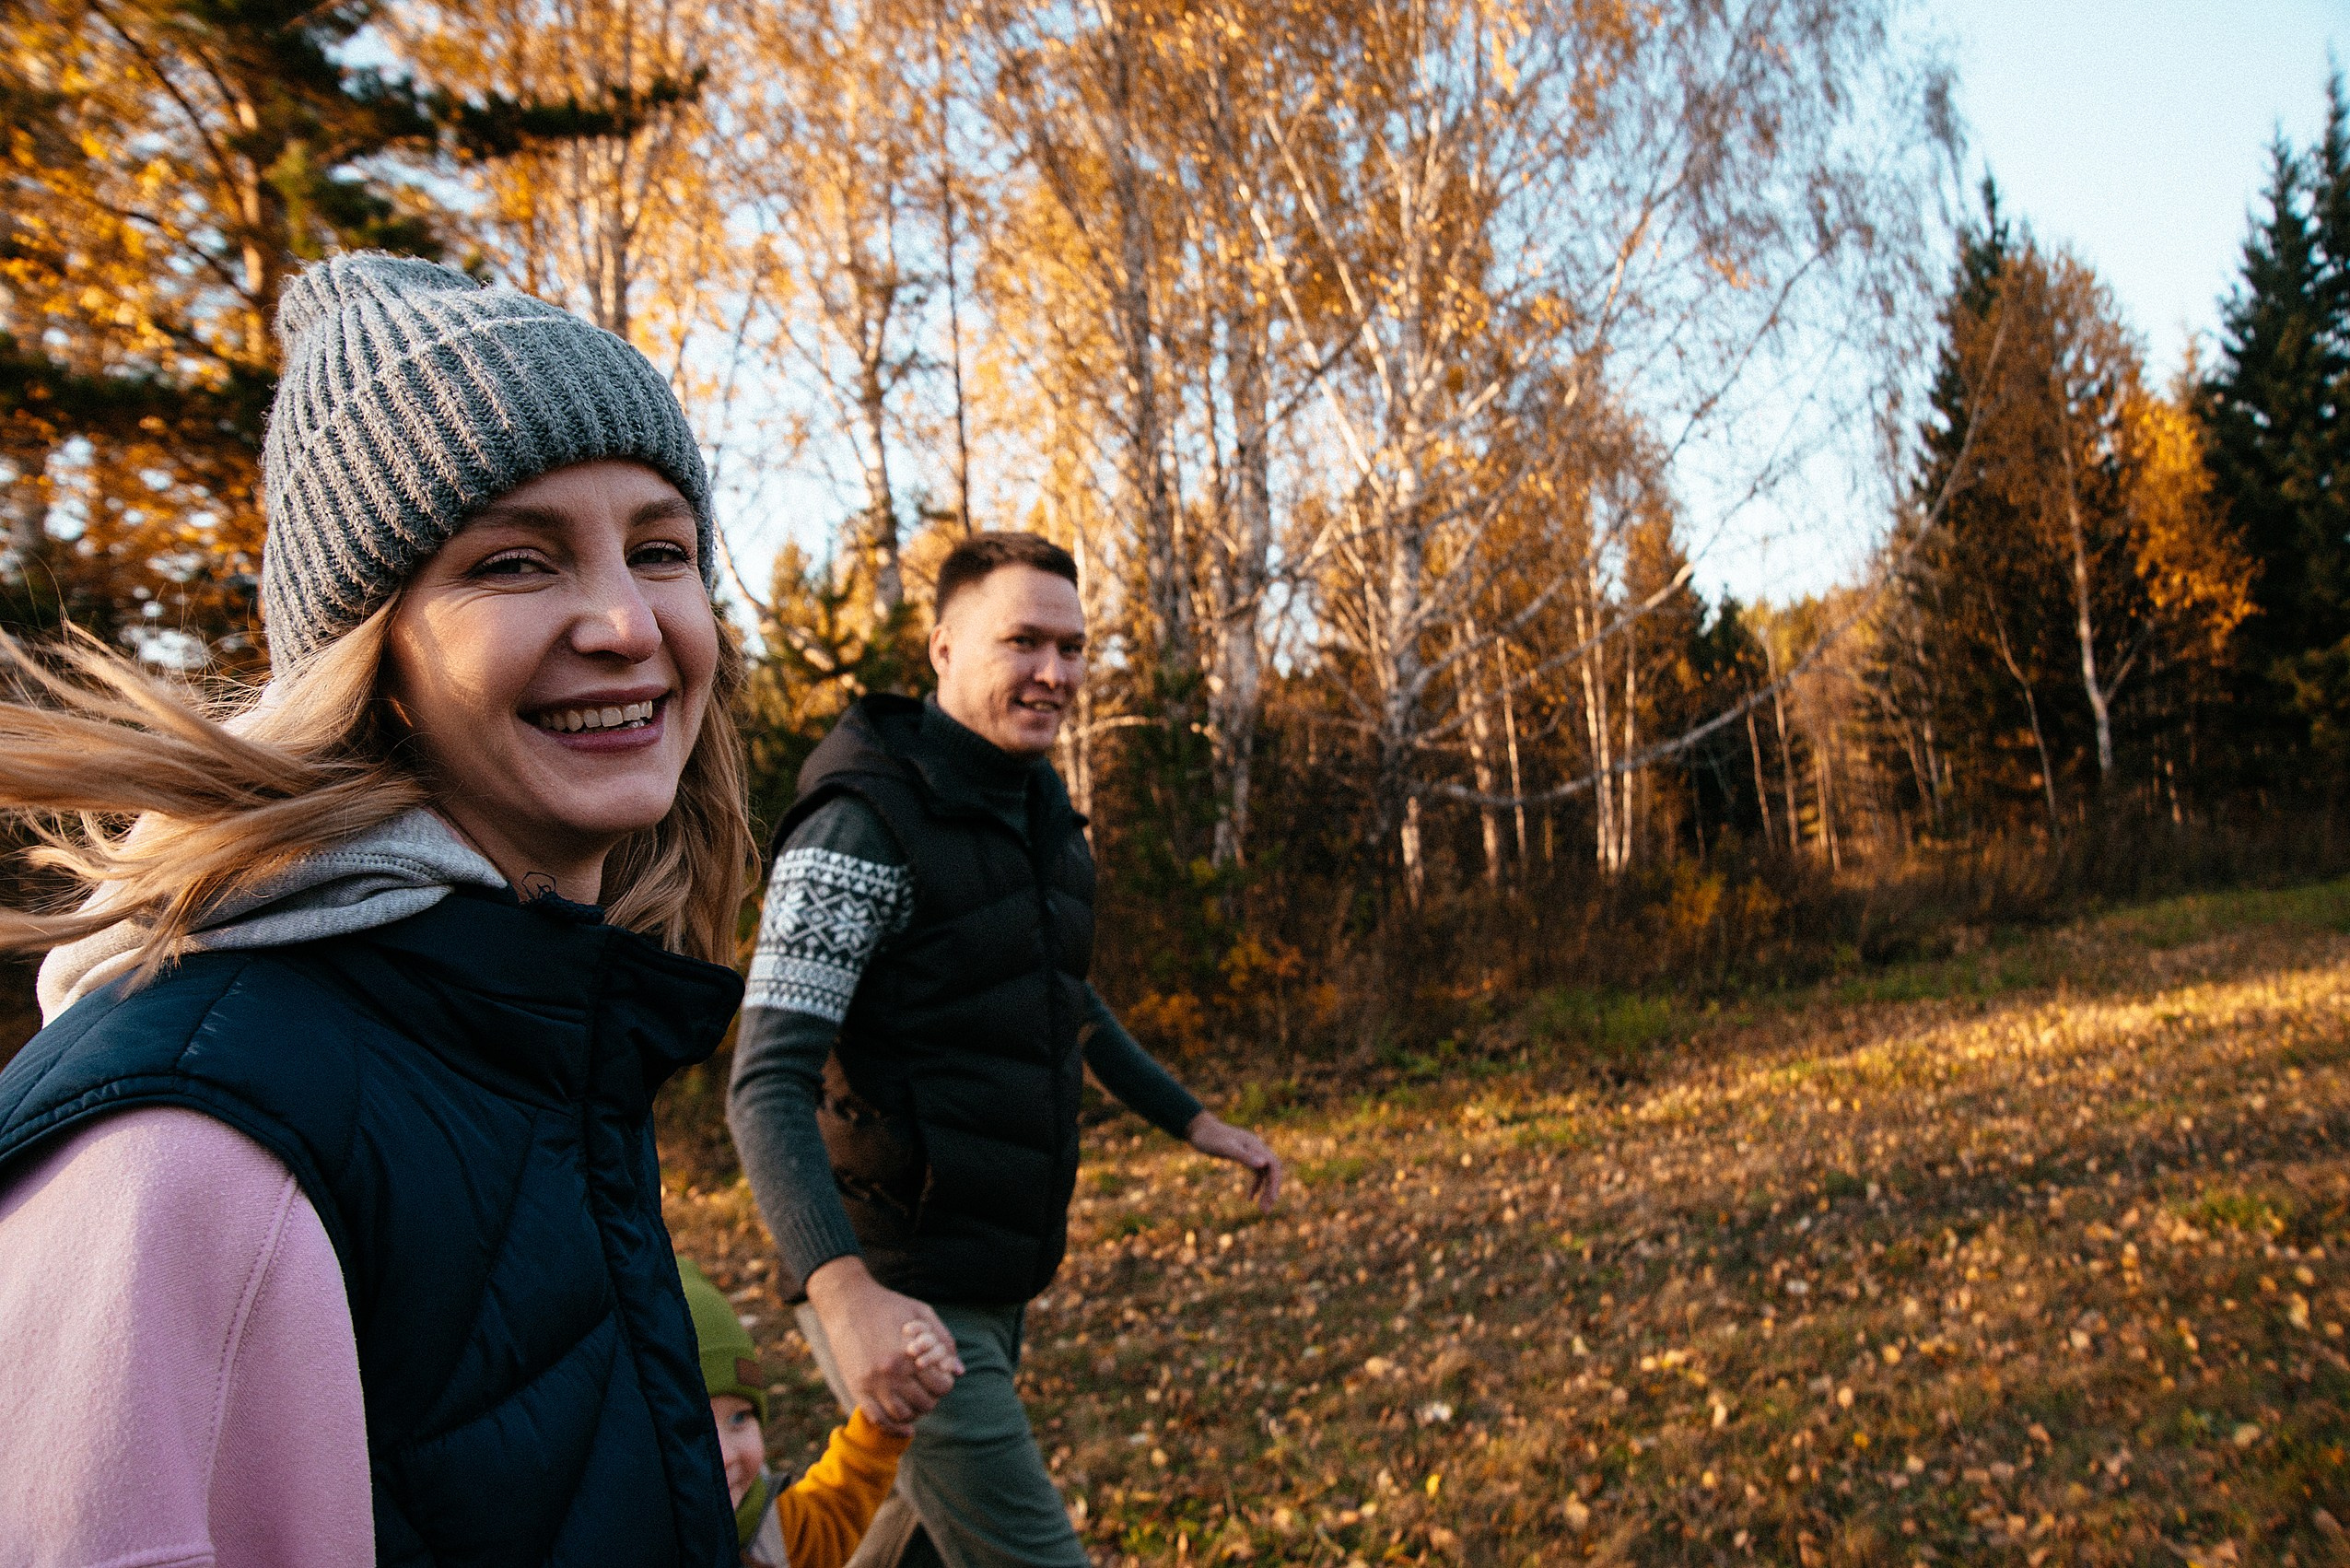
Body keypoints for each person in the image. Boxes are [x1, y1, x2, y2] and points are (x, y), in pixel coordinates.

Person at [0, 253, 756, 1565]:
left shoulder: (530, 1030)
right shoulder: (186, 1143)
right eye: (515, 561)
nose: (627, 622)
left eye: (660, 550)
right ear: (369, 658)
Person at [727, 532, 1283, 1568]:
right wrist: (844, 1296)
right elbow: (765, 1078)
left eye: (1073, 648)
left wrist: (1198, 1123)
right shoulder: (860, 825)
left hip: (993, 1270)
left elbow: (1063, 1000)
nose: (1055, 673)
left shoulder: (1040, 817)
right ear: (942, 647)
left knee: (905, 1549)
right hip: (897, 1280)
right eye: (1023, 641)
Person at [675, 1257, 957, 1567]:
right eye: (692, 1428)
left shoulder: (764, 1522)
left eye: (739, 1417)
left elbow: (830, 1523)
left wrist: (885, 1419)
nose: (727, 1455)